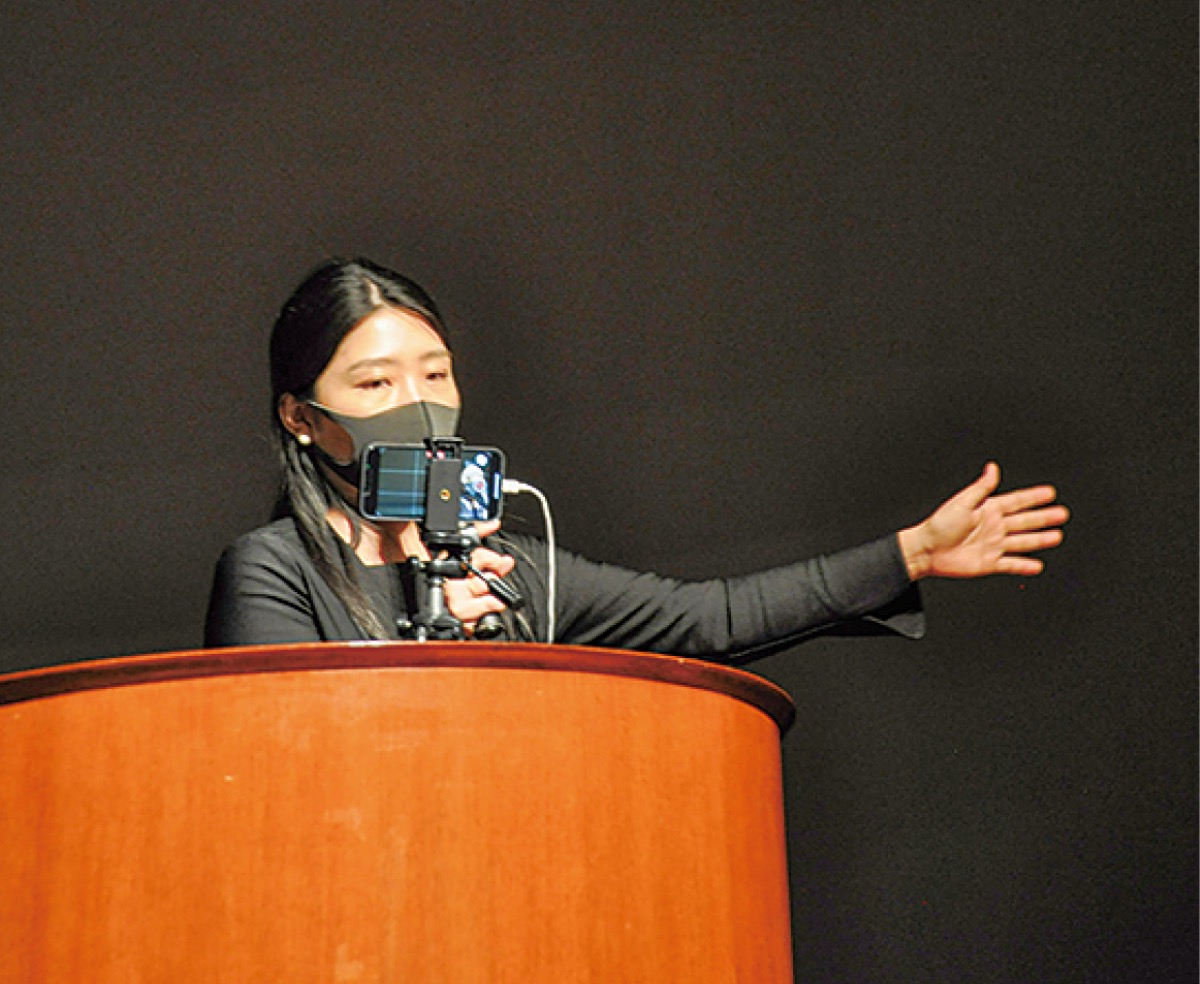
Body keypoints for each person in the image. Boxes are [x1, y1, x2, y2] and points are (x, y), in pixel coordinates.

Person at [204, 258, 1069, 658]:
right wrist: (432, 640)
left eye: (436, 373)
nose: (419, 404)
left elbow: (708, 619)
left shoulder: (506, 572)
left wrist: (911, 553)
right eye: (375, 383)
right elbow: (287, 754)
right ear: (302, 417)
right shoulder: (273, 569)